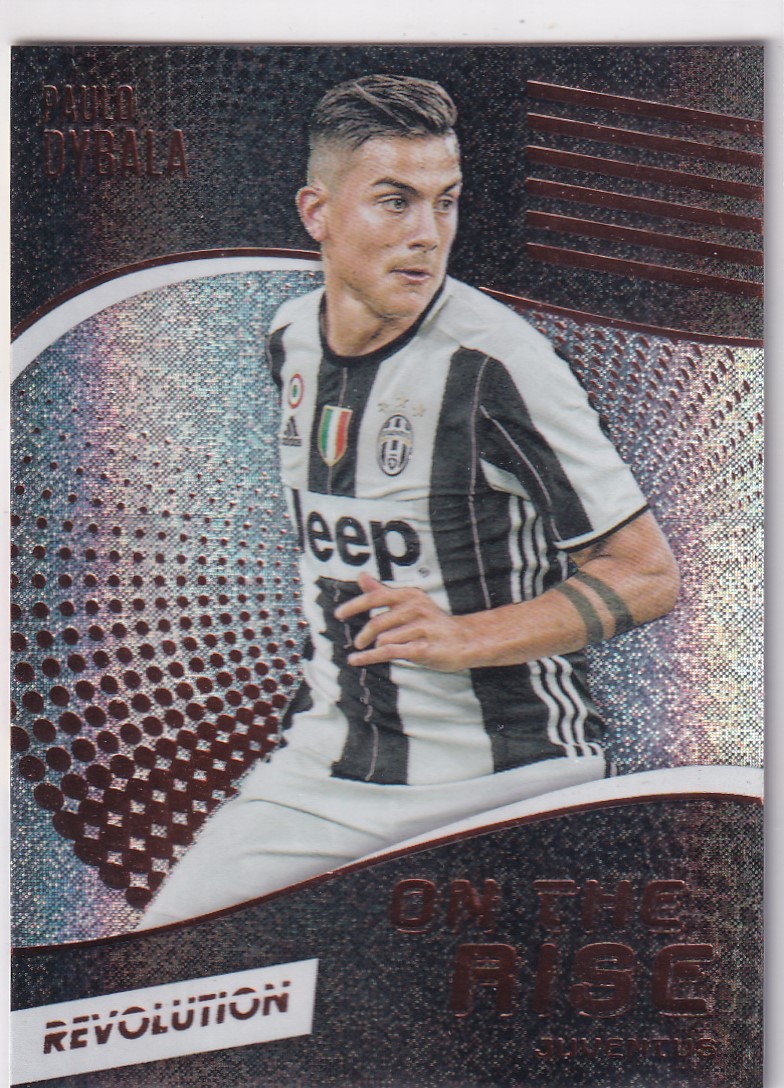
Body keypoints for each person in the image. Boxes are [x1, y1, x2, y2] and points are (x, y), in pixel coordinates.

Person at [140, 74, 679, 929]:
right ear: (317, 213)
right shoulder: (289, 338)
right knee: (158, 968)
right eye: (395, 201)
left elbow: (646, 574)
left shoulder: (497, 364)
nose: (427, 234)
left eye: (445, 202)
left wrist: (466, 637)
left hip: (509, 784)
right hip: (320, 779)